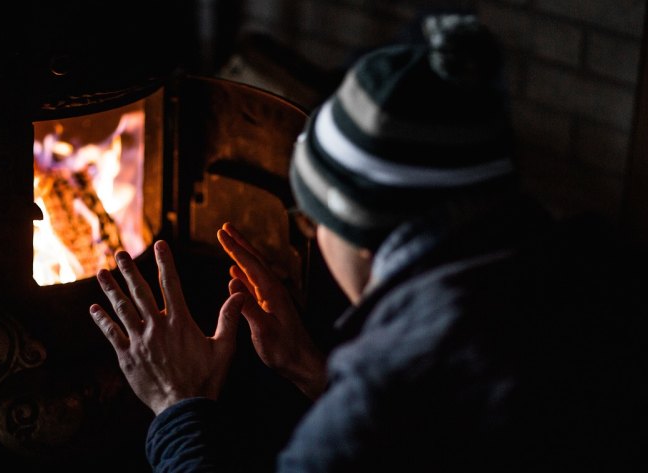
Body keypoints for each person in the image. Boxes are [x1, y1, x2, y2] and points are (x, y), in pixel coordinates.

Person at [89, 14, 647, 472]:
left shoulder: (373, 407)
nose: (309, 233)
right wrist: (313, 369)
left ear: (357, 231)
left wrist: (178, 404)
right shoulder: (594, 271)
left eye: (312, 219)